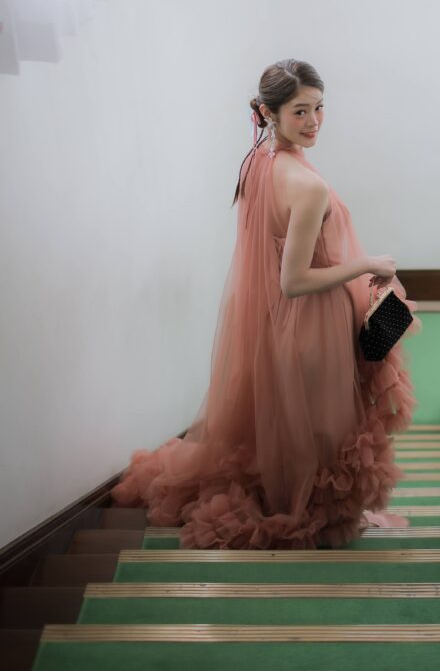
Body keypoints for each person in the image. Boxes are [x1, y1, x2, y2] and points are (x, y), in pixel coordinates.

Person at [112, 59, 415, 549]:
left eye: (319, 108)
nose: (314, 121)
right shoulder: (307, 184)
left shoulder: (259, 162)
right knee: (323, 426)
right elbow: (293, 280)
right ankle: (304, 511)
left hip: (278, 321)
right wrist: (366, 264)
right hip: (312, 319)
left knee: (293, 422)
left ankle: (286, 498)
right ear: (269, 113)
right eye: (300, 111)